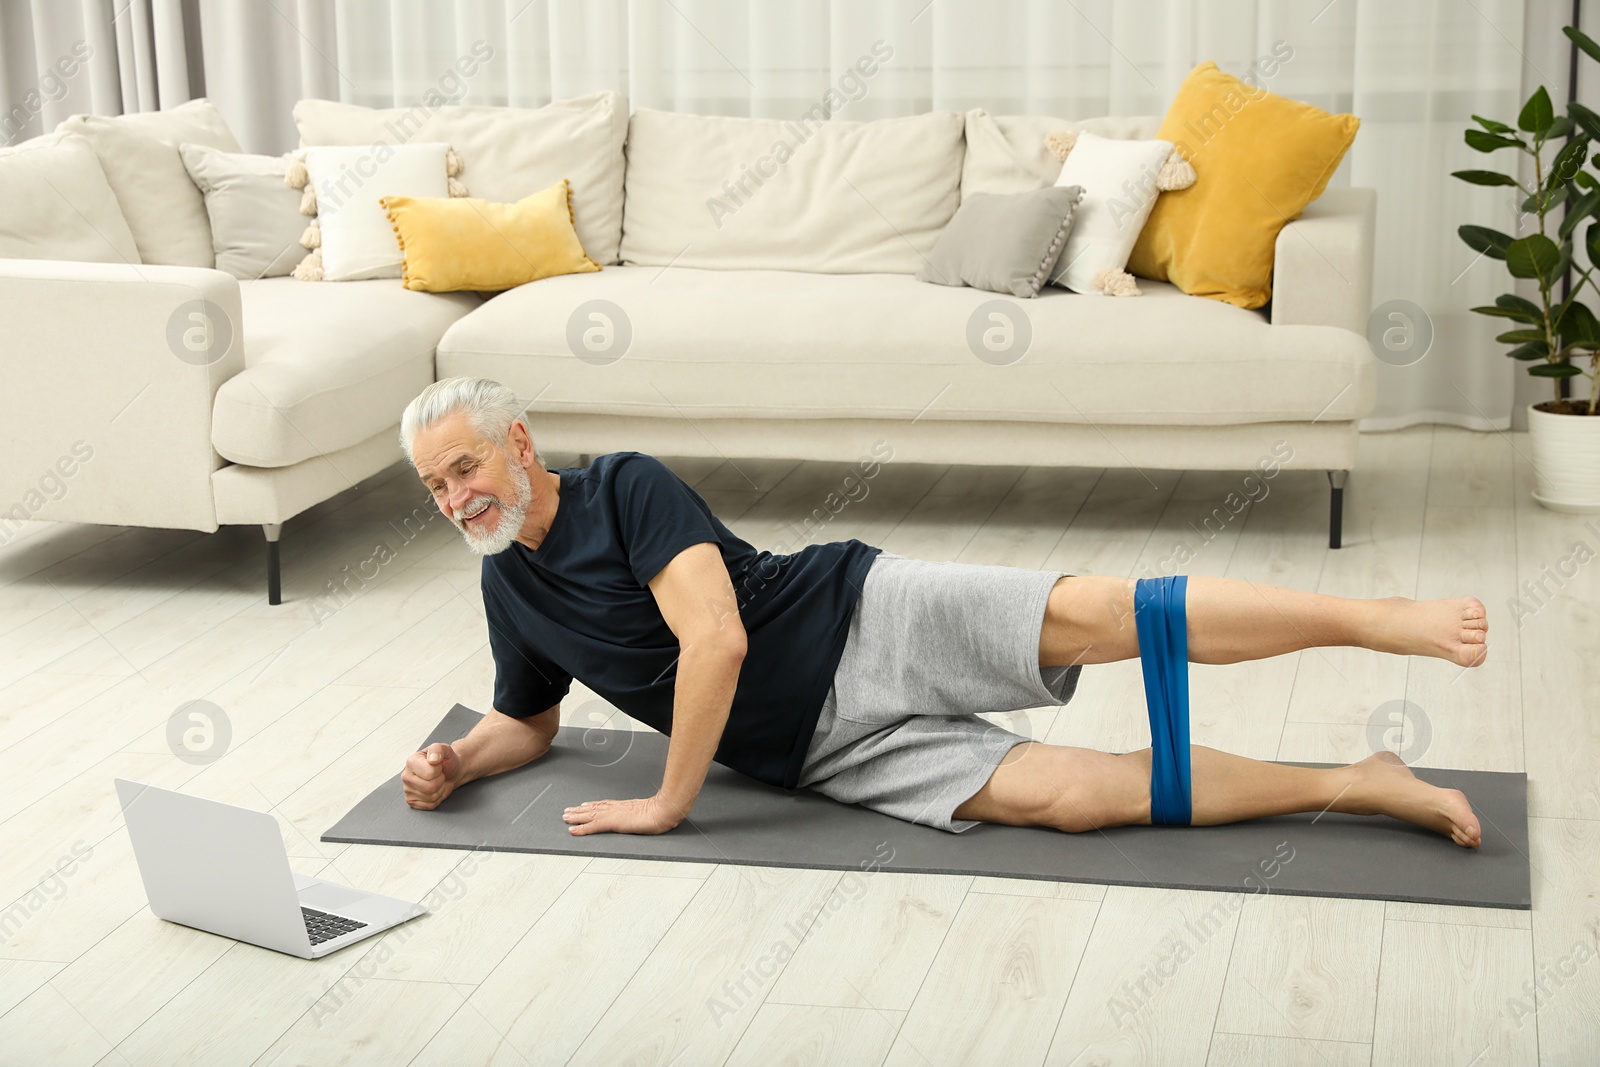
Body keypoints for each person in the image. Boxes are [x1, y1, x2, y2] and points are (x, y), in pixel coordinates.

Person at [397, 377, 1485, 848]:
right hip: (815, 752)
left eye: (466, 466)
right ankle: (1362, 783)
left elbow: (716, 638)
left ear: (520, 444)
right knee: (1074, 797)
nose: (457, 498)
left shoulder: (625, 485)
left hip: (857, 615)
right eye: (437, 487)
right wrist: (461, 758)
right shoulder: (509, 584)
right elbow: (528, 719)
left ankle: (1379, 616)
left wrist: (667, 802)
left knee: (1107, 614)